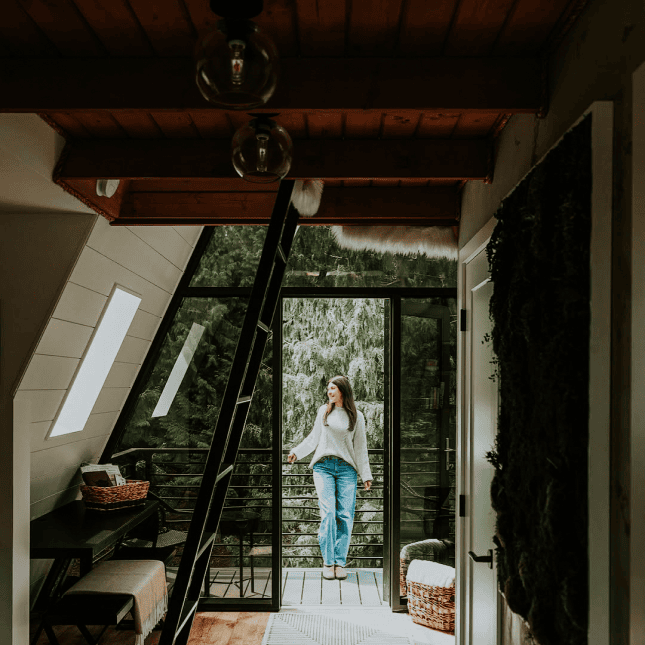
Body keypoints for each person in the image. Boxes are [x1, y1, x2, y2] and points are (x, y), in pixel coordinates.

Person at [287, 375, 373, 581]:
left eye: (333, 388)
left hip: (347, 470)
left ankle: (339, 562)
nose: (329, 392)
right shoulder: (323, 411)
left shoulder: (356, 416)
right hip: (323, 467)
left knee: (344, 515)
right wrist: (297, 452)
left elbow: (361, 448)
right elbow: (314, 438)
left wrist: (365, 474)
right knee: (328, 513)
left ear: (342, 390)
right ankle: (328, 562)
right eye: (328, 389)